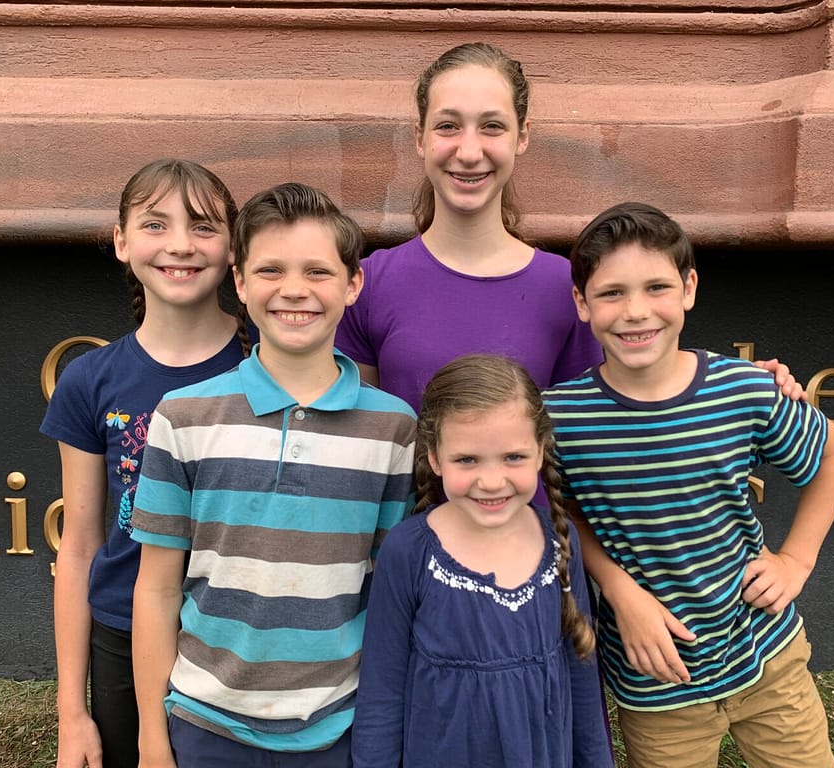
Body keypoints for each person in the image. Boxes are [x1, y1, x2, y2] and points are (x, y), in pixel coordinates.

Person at [543, 201, 834, 768]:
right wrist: (617, 587)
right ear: (581, 303)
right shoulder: (560, 419)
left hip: (767, 654)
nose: (636, 312)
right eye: (612, 293)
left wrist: (797, 561)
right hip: (657, 678)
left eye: (656, 287)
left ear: (688, 288)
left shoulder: (743, 390)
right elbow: (562, 511)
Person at [334, 41, 802, 414]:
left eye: (492, 127)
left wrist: (746, 390)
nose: (470, 150)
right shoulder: (368, 284)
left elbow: (618, 411)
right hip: (403, 534)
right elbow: (355, 436)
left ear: (523, 136)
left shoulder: (567, 287)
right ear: (420, 138)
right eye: (448, 126)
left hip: (537, 533)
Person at [129, 182, 417, 768]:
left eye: (317, 271)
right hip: (204, 724)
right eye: (270, 270)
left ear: (352, 283)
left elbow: (390, 590)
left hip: (340, 727)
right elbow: (157, 588)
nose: (294, 290)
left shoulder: (393, 429)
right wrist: (151, 738)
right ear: (238, 281)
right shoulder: (182, 417)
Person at [40, 158, 250, 768]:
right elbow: (78, 548)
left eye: (204, 227)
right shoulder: (89, 381)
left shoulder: (271, 364)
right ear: (121, 241)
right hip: (123, 634)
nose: (180, 245)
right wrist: (71, 713)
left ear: (232, 246)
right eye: (156, 225)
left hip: (239, 638)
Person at [352, 353, 614, 768]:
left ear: (542, 450)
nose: (491, 482)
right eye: (467, 460)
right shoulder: (409, 552)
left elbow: (581, 679)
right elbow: (381, 694)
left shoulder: (561, 543)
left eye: (513, 457)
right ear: (435, 457)